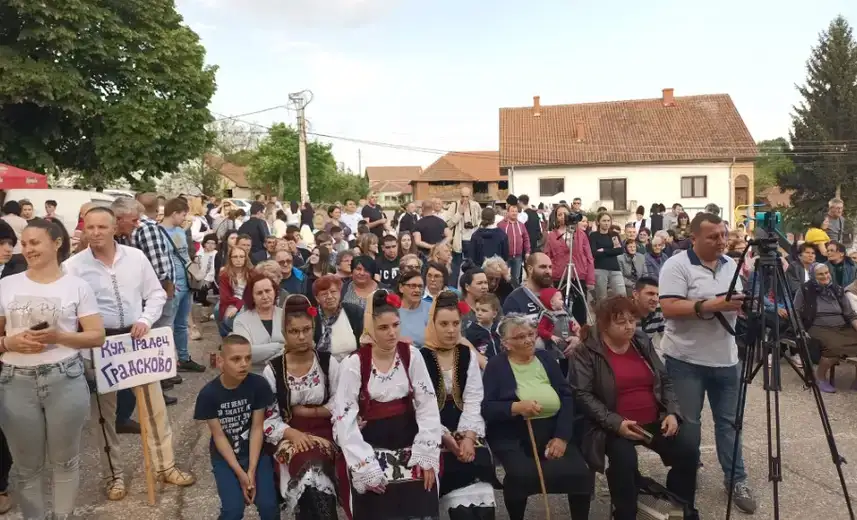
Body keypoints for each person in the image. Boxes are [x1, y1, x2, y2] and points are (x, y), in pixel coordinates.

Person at [66, 206, 195, 500]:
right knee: (104, 417)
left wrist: (145, 320)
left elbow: (157, 293)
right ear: (84, 230)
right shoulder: (74, 266)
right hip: (101, 345)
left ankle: (165, 465)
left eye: (102, 227)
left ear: (115, 228)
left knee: (154, 408)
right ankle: (113, 476)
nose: (95, 232)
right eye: (90, 227)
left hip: (138, 341)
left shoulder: (135, 258)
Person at [0, 219, 105, 519]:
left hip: (65, 378)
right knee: (26, 467)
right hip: (15, 383)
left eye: (35, 242)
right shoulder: (7, 285)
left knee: (65, 462)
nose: (27, 249)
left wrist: (60, 336)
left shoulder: (77, 286)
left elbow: (96, 335)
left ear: (57, 243)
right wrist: (10, 343)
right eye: (24, 243)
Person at [658, 212, 757, 514]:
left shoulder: (731, 265)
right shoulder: (676, 265)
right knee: (689, 428)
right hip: (685, 359)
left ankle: (736, 478)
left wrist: (740, 309)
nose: (721, 242)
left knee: (730, 424)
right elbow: (669, 307)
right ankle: (686, 476)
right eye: (713, 237)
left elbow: (732, 303)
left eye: (724, 235)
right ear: (694, 238)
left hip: (726, 359)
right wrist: (714, 305)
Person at [571, 296, 699, 520]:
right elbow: (582, 394)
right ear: (604, 324)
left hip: (652, 419)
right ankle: (625, 513)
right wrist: (616, 423)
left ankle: (677, 509)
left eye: (632, 320)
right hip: (613, 424)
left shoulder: (641, 341)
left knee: (688, 451)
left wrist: (671, 412)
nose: (629, 326)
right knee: (624, 461)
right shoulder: (586, 351)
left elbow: (664, 380)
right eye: (621, 322)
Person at [332, 290, 442, 520]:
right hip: (370, 440)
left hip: (408, 435)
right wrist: (364, 464)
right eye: (383, 328)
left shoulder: (411, 355)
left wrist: (426, 452)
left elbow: (427, 404)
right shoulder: (355, 363)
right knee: (376, 497)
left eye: (395, 325)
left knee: (421, 491)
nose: (391, 333)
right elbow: (344, 417)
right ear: (371, 329)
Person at [481, 315, 593, 520]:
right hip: (514, 435)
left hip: (552, 429)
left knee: (580, 474)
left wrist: (562, 437)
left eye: (531, 334)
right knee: (521, 476)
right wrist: (515, 407)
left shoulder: (545, 358)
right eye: (520, 337)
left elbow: (566, 396)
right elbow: (487, 408)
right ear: (506, 344)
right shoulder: (496, 366)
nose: (528, 340)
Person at [261, 294, 343, 518]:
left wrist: (312, 411)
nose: (301, 336)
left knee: (316, 470)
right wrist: (293, 434)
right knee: (308, 472)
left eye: (306, 330)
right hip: (290, 436)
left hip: (326, 433)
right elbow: (268, 419)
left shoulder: (327, 363)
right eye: (294, 331)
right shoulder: (274, 370)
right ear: (284, 333)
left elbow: (341, 403)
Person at [421, 291, 498, 519]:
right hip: (435, 432)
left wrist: (468, 437)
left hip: (467, 427)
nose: (451, 329)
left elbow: (474, 398)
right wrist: (448, 439)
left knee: (483, 498)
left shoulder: (466, 354)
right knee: (461, 505)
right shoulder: (420, 357)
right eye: (443, 324)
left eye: (455, 323)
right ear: (432, 324)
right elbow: (423, 407)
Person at [194, 335, 278, 520]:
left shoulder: (258, 385)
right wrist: (241, 474)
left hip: (257, 453)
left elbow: (257, 428)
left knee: (269, 506)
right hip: (225, 457)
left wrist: (252, 470)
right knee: (233, 511)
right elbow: (219, 436)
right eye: (236, 359)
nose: (244, 364)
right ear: (220, 360)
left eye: (248, 358)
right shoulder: (208, 395)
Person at [795, 263, 857, 392]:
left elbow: (850, 314)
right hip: (818, 327)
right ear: (813, 276)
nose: (825, 276)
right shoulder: (805, 289)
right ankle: (820, 377)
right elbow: (795, 311)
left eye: (827, 272)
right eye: (820, 274)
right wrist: (800, 330)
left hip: (841, 327)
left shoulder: (837, 289)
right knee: (833, 347)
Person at [161, 198, 206, 372]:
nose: (184, 218)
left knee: (181, 323)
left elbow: (185, 255)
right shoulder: (159, 232)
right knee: (168, 324)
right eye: (183, 214)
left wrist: (194, 273)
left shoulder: (180, 231)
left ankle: (184, 357)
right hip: (172, 284)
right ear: (174, 213)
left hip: (186, 283)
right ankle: (168, 362)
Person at [544, 205, 594, 319]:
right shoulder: (551, 236)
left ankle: (581, 332)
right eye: (559, 214)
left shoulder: (580, 234)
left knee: (580, 308)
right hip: (559, 275)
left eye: (565, 214)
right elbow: (547, 257)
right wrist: (549, 276)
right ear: (556, 218)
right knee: (559, 307)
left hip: (578, 275)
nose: (562, 217)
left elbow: (589, 256)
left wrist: (590, 279)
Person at [233, 272, 286, 374]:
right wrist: (280, 346)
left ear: (274, 291)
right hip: (255, 376)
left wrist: (261, 353)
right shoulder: (241, 321)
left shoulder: (285, 315)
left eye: (268, 291)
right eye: (259, 293)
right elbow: (245, 353)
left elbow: (294, 349)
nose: (265, 296)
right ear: (252, 296)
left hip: (284, 373)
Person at [313, 275, 363, 361]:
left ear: (340, 293)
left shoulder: (354, 312)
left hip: (352, 365)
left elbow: (363, 344)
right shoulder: (312, 317)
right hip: (321, 366)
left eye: (333, 292)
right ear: (317, 298)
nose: (329, 296)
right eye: (324, 294)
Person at [446, 187, 483, 282]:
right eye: (463, 196)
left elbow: (481, 220)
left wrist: (475, 225)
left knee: (471, 267)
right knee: (455, 268)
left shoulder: (475, 205)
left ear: (470, 196)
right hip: (458, 241)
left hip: (472, 239)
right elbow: (448, 224)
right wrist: (459, 213)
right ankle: (453, 289)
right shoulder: (454, 206)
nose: (465, 199)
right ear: (460, 196)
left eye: (467, 197)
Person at [502, 253, 554, 318]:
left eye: (550, 267)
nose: (548, 271)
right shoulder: (514, 300)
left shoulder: (555, 295)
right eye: (543, 267)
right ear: (530, 269)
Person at [590, 212, 625, 300]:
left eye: (608, 221)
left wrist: (604, 250)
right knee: (602, 298)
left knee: (621, 295)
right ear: (598, 222)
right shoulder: (594, 235)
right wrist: (612, 250)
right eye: (604, 221)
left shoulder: (614, 235)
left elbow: (620, 250)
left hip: (615, 268)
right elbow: (594, 252)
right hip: (600, 268)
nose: (606, 223)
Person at [219, 246, 253, 336]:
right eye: (235, 257)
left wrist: (239, 305)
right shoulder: (224, 274)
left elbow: (252, 295)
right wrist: (237, 305)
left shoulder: (252, 273)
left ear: (246, 258)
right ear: (230, 258)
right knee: (226, 317)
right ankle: (228, 338)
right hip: (233, 301)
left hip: (248, 302)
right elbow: (225, 297)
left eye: (241, 257)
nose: (238, 259)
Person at [396, 269, 433, 347]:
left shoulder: (431, 309)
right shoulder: (391, 310)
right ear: (401, 288)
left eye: (420, 286)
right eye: (412, 286)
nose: (417, 290)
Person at [497, 205, 530, 285]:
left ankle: (515, 295)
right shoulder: (501, 225)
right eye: (512, 211)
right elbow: (497, 239)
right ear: (508, 212)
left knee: (516, 278)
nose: (514, 213)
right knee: (502, 277)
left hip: (518, 257)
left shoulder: (521, 225)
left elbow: (526, 238)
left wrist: (527, 252)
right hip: (504, 257)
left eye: (516, 211)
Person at [633, 277, 665, 356]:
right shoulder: (623, 313)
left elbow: (666, 337)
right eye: (650, 293)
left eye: (657, 295)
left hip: (645, 354)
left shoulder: (658, 312)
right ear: (636, 294)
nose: (655, 299)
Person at [464, 294, 502, 360]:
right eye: (477, 310)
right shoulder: (472, 332)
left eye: (484, 310)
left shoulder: (499, 328)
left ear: (494, 314)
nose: (479, 313)